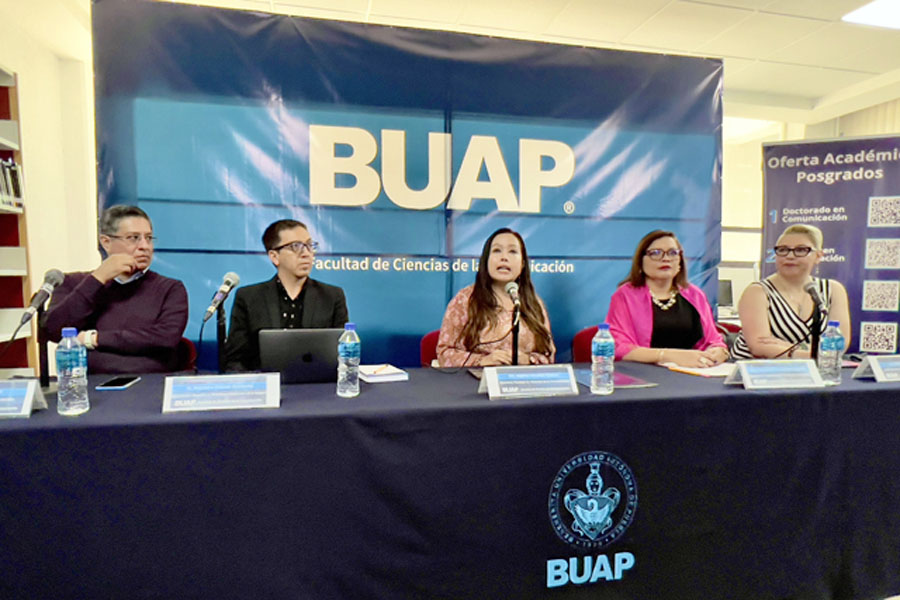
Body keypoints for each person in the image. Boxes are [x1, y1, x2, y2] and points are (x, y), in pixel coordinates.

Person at [44, 205, 189, 374]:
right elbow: (54, 331)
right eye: (134, 238)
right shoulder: (72, 283)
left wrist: (94, 338)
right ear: (106, 242)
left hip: (150, 382)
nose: (145, 246)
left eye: (148, 238)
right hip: (86, 385)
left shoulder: (170, 288)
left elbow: (165, 338)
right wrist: (97, 279)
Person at [225, 219, 348, 371]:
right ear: (274, 256)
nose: (306, 254)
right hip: (266, 385)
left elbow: (345, 355)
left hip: (318, 386)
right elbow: (235, 360)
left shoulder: (332, 296)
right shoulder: (249, 297)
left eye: (310, 245)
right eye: (296, 246)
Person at [606, 230, 728, 368]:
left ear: (680, 262)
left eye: (672, 253)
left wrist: (718, 352)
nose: (666, 259)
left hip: (693, 373)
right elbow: (619, 348)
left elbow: (714, 341)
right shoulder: (624, 295)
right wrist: (668, 355)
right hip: (645, 374)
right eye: (656, 253)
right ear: (640, 261)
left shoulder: (695, 295)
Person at [437, 228, 555, 367]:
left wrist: (528, 360)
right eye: (497, 250)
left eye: (512, 251)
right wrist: (481, 361)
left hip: (523, 383)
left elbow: (548, 355)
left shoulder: (534, 303)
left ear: (522, 264)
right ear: (486, 260)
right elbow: (444, 353)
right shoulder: (465, 300)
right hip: (476, 383)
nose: (504, 257)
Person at [732, 224, 850, 359]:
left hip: (813, 370)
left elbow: (839, 344)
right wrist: (814, 355)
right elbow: (759, 347)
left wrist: (786, 347)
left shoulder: (833, 290)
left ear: (818, 256)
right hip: (757, 370)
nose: (789, 256)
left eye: (800, 250)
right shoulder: (757, 292)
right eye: (783, 250)